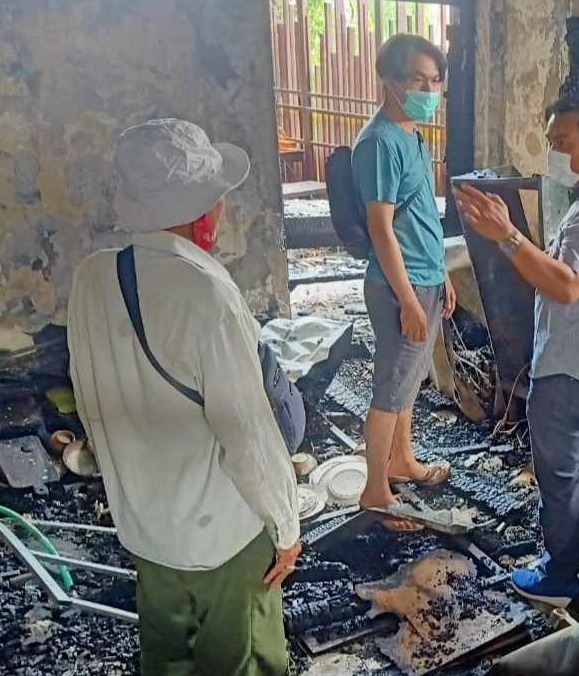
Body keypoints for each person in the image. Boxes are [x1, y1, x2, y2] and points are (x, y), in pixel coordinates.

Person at [67, 119, 300, 676]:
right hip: (221, 536)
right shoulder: (209, 295)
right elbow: (247, 434)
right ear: (203, 213)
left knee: (167, 661)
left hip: (146, 528)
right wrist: (286, 528)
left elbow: (90, 398)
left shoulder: (93, 278)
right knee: (241, 660)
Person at [454, 95, 579, 606]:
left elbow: (564, 285)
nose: (553, 152)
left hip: (573, 371)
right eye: (552, 140)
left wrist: (508, 236)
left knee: (560, 479)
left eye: (563, 143)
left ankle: (560, 577)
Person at [352, 34, 457, 529]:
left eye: (435, 82)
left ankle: (402, 460)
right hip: (401, 287)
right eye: (418, 80)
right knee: (389, 388)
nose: (428, 90)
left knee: (408, 383)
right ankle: (374, 489)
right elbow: (382, 228)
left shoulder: (412, 134)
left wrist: (441, 277)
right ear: (390, 82)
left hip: (425, 278)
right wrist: (409, 299)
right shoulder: (379, 143)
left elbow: (421, 221)